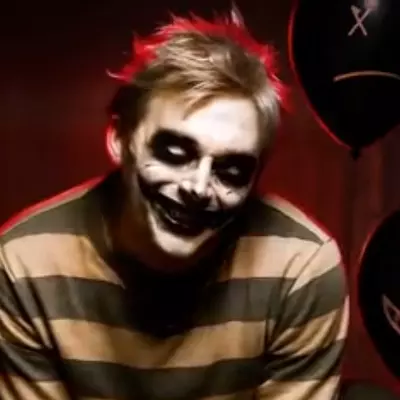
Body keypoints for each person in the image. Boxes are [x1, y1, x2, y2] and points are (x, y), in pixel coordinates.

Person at [0, 8, 349, 400]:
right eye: (175, 152)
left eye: (231, 171)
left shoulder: (301, 266)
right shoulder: (24, 263)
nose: (198, 188)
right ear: (119, 139)